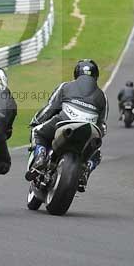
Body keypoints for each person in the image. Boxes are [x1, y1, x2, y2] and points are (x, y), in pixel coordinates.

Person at [26, 59, 107, 191]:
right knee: (96, 153)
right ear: (96, 76)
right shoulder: (102, 96)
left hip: (66, 120)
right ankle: (85, 170)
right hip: (90, 128)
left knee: (37, 132)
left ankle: (40, 156)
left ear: (76, 73)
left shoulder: (65, 86)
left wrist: (36, 120)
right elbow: (102, 125)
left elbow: (50, 108)